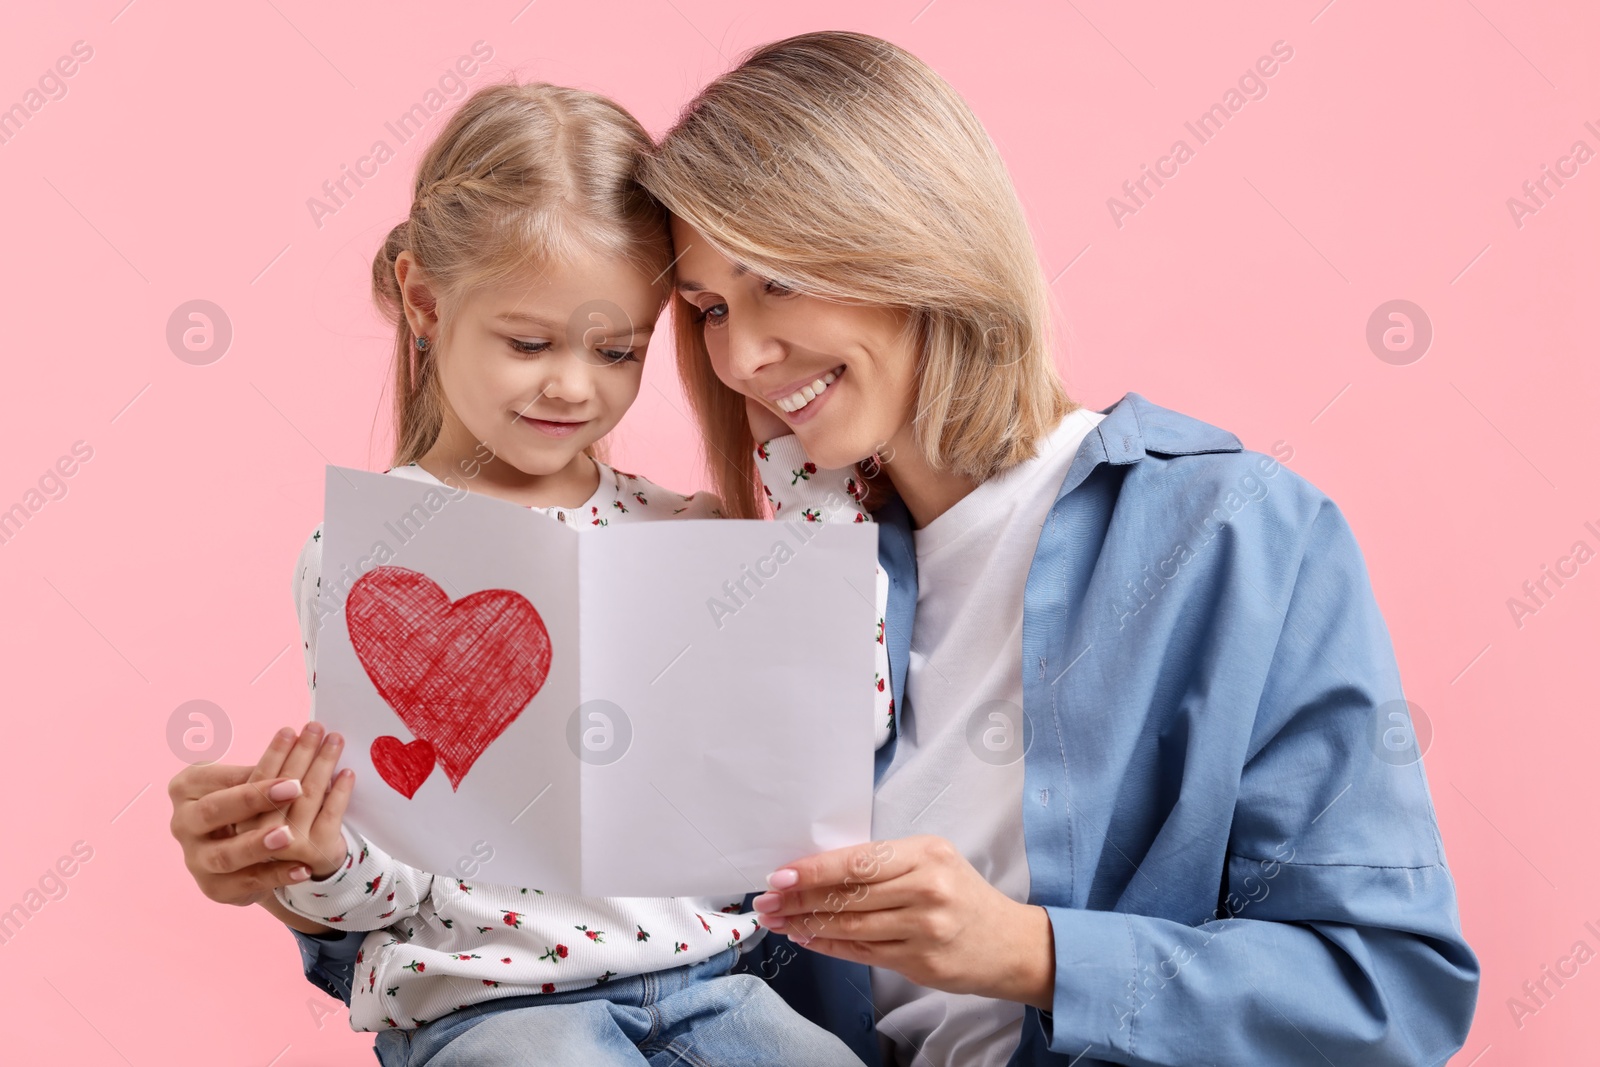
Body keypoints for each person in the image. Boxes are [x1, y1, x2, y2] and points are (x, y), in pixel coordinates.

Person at [181, 31, 1481, 1067]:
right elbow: (540, 918)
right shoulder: (759, 567)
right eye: (704, 308)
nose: (740, 357)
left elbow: (1393, 990)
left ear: (909, 244)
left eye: (777, 284)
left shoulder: (1234, 537)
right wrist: (288, 876)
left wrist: (1030, 950)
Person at [169, 78, 890, 1067]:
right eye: (528, 342)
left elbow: (840, 738)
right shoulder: (367, 557)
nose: (572, 384)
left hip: (712, 982)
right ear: (426, 301)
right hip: (496, 1011)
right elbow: (394, 881)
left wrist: (805, 480)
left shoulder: (687, 533)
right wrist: (316, 857)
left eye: (617, 350)